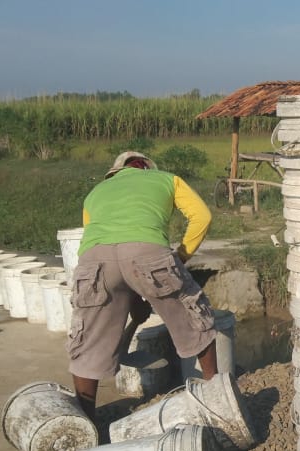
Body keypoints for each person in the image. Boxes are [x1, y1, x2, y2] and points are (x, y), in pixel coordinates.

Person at [66, 151, 218, 421]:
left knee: (88, 340)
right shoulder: (166, 179)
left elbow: (110, 253)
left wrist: (134, 299)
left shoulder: (96, 192)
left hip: (94, 261)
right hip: (147, 251)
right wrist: (179, 260)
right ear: (147, 168)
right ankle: (217, 395)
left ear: (114, 172)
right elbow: (202, 217)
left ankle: (84, 425)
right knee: (195, 316)